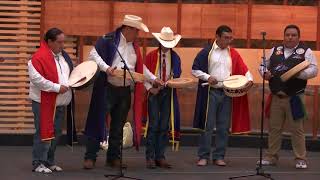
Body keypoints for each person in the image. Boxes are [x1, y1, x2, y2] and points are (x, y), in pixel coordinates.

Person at [83, 14, 163, 169]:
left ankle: (113, 158)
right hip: (108, 88)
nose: (138, 35)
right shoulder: (108, 39)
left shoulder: (134, 46)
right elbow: (93, 55)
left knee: (118, 126)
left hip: (125, 90)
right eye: (136, 31)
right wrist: (106, 68)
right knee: (97, 120)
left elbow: (139, 68)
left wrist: (153, 79)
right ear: (127, 29)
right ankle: (90, 157)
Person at [192, 25, 253, 166]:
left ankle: (219, 156)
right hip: (210, 93)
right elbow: (194, 69)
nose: (229, 41)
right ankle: (203, 156)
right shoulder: (206, 52)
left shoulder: (233, 53)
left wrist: (249, 80)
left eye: (230, 38)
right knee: (207, 126)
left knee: (223, 127)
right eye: (226, 38)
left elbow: (244, 70)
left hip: (227, 93)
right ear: (217, 37)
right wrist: (207, 77)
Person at [259, 24, 318, 169]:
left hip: (295, 97)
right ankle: (271, 157)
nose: (290, 37)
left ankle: (300, 159)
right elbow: (262, 65)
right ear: (284, 36)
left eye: (293, 35)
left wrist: (298, 73)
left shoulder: (306, 51)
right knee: (274, 128)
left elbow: (314, 70)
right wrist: (264, 73)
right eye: (287, 35)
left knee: (297, 129)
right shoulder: (275, 50)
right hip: (276, 96)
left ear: (298, 37)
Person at [28, 28, 75, 173]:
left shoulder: (64, 57)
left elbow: (69, 75)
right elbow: (37, 80)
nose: (62, 45)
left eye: (63, 42)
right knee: (43, 132)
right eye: (59, 42)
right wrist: (56, 87)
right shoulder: (37, 58)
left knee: (55, 133)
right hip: (43, 103)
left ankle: (49, 161)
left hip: (60, 102)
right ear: (49, 42)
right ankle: (38, 163)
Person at [143, 27, 182, 169]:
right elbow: (144, 73)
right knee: (153, 125)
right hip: (154, 93)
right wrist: (150, 88)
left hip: (168, 93)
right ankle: (150, 157)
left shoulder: (176, 58)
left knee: (164, 125)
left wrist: (172, 82)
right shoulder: (151, 56)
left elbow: (177, 75)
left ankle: (160, 156)